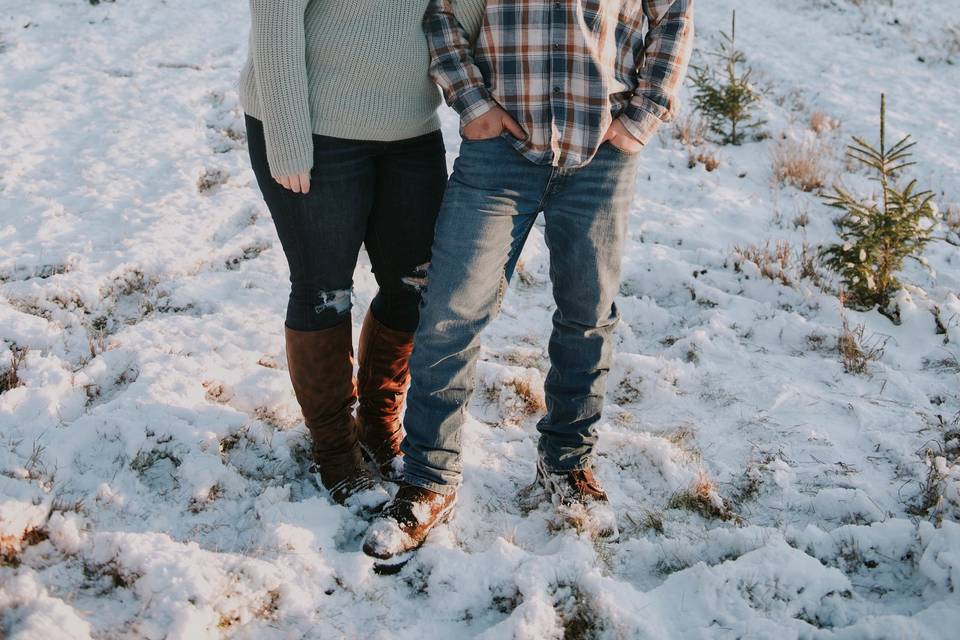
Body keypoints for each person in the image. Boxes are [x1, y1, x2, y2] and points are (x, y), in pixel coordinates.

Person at [364, 0, 694, 562]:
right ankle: (429, 479)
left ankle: (567, 462)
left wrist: (639, 119)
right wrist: (472, 102)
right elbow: (442, 13)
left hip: (601, 153)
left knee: (588, 316)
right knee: (450, 312)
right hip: (499, 153)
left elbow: (674, 18)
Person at [239, 1, 477, 510]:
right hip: (312, 122)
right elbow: (275, 15)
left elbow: (465, 14)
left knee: (416, 284)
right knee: (324, 288)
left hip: (410, 129)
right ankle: (333, 446)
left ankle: (376, 419)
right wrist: (286, 137)